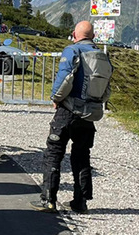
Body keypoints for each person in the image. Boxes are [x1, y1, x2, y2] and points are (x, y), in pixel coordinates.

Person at [32, 21, 114, 213]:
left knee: (54, 153)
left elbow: (65, 78)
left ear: (74, 34)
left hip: (68, 111)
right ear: (93, 37)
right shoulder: (103, 57)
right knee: (82, 157)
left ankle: (49, 200)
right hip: (89, 115)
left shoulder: (72, 51)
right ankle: (80, 202)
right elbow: (106, 89)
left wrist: (55, 98)